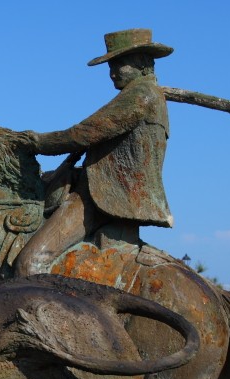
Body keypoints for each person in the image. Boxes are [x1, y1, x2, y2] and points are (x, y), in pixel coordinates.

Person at [15, 28, 174, 277]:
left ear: (142, 62)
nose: (112, 73)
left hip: (104, 196)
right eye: (110, 66)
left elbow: (84, 133)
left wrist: (37, 142)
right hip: (103, 187)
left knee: (30, 263)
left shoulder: (140, 95)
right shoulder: (148, 94)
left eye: (119, 65)